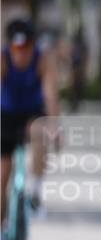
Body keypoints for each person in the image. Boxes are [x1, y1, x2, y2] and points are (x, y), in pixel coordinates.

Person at [1, 19, 60, 223]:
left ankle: (35, 192)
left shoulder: (42, 60)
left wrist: (55, 126)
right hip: (6, 115)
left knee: (40, 132)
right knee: (2, 174)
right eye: (17, 47)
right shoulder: (3, 60)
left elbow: (51, 96)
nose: (21, 53)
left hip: (32, 113)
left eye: (26, 47)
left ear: (33, 46)